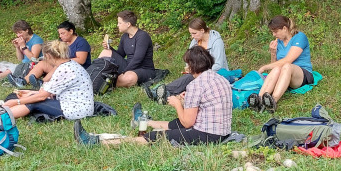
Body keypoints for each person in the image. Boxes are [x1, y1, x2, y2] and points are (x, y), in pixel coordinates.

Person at [74, 47, 231, 146]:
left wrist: (177, 103)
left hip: (208, 135)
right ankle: (143, 121)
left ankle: (97, 142)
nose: (185, 66)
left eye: (187, 64)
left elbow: (188, 122)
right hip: (221, 130)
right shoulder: (220, 78)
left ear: (192, 66)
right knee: (174, 124)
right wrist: (186, 101)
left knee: (153, 136)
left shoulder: (196, 85)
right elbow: (207, 105)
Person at [0, 40, 94, 121]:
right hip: (72, 103)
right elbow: (50, 92)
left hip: (76, 110)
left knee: (34, 102)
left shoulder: (64, 70)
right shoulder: (69, 64)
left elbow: (42, 96)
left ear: (48, 55)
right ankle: (3, 109)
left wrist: (17, 102)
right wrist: (30, 92)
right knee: (23, 96)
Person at [145, 17, 229, 104]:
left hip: (216, 73)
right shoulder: (195, 41)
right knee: (189, 78)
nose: (192, 36)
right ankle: (165, 94)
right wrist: (189, 67)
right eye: (191, 34)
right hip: (199, 71)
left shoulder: (216, 42)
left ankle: (163, 92)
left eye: (194, 33)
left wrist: (200, 72)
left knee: (190, 78)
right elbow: (189, 58)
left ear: (202, 30)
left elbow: (218, 65)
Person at [248, 16, 313, 112]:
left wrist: (264, 67)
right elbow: (274, 67)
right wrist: (273, 53)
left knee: (286, 66)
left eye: (275, 31)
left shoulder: (299, 37)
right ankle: (260, 100)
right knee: (277, 68)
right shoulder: (279, 42)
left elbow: (288, 60)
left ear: (284, 28)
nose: (274, 35)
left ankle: (273, 101)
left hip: (302, 75)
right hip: (285, 75)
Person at [97, 10, 160, 88]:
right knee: (106, 52)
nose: (117, 25)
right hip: (128, 65)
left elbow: (137, 59)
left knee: (129, 78)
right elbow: (120, 54)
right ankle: (95, 75)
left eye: (119, 23)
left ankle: (106, 85)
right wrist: (109, 48)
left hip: (144, 69)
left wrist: (124, 72)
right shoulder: (124, 36)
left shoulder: (142, 36)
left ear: (128, 24)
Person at [24, 21, 90, 88]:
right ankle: (24, 81)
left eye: (63, 33)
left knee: (57, 65)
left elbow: (81, 60)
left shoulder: (81, 42)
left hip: (77, 70)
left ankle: (42, 83)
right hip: (63, 66)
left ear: (71, 31)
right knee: (42, 63)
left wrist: (62, 61)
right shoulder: (62, 42)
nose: (60, 36)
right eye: (59, 34)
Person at [0, 20, 43, 85]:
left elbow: (33, 59)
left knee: (12, 69)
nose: (18, 35)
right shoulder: (24, 40)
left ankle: (16, 80)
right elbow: (20, 59)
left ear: (27, 30)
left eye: (20, 32)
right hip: (24, 64)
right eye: (17, 33)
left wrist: (23, 46)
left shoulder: (36, 40)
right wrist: (17, 47)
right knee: (10, 69)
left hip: (33, 65)